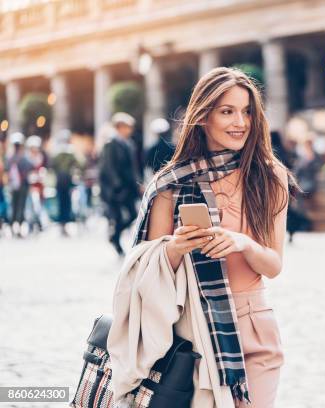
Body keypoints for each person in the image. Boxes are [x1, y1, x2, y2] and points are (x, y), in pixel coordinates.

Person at [130, 67, 294, 407]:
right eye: (227, 111)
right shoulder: (171, 184)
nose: (241, 122)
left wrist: (243, 243)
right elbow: (146, 268)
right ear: (204, 117)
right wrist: (176, 247)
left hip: (254, 326)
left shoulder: (269, 175)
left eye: (247, 111)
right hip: (191, 332)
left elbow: (274, 265)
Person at [98, 112, 140, 255]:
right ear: (120, 127)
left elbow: (133, 168)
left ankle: (114, 236)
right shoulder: (111, 144)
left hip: (128, 187)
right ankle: (116, 241)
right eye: (128, 127)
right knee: (117, 217)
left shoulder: (129, 144)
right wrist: (116, 185)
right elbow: (108, 167)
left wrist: (138, 183)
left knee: (133, 215)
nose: (130, 130)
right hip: (115, 189)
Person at [49, 130, 81, 236]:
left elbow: (51, 165)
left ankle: (62, 225)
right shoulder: (71, 151)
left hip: (59, 180)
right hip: (67, 180)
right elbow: (80, 163)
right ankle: (65, 224)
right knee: (67, 203)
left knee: (60, 203)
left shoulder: (56, 152)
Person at [6, 132, 33, 237]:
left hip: (14, 185)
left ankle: (14, 227)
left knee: (14, 206)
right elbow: (31, 166)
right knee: (20, 206)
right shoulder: (23, 157)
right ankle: (18, 228)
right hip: (22, 185)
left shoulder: (10, 157)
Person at [25, 135, 47, 232]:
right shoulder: (27, 158)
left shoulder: (40, 157)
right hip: (30, 185)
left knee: (38, 205)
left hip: (38, 184)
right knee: (29, 205)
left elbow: (42, 169)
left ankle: (39, 222)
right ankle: (30, 223)